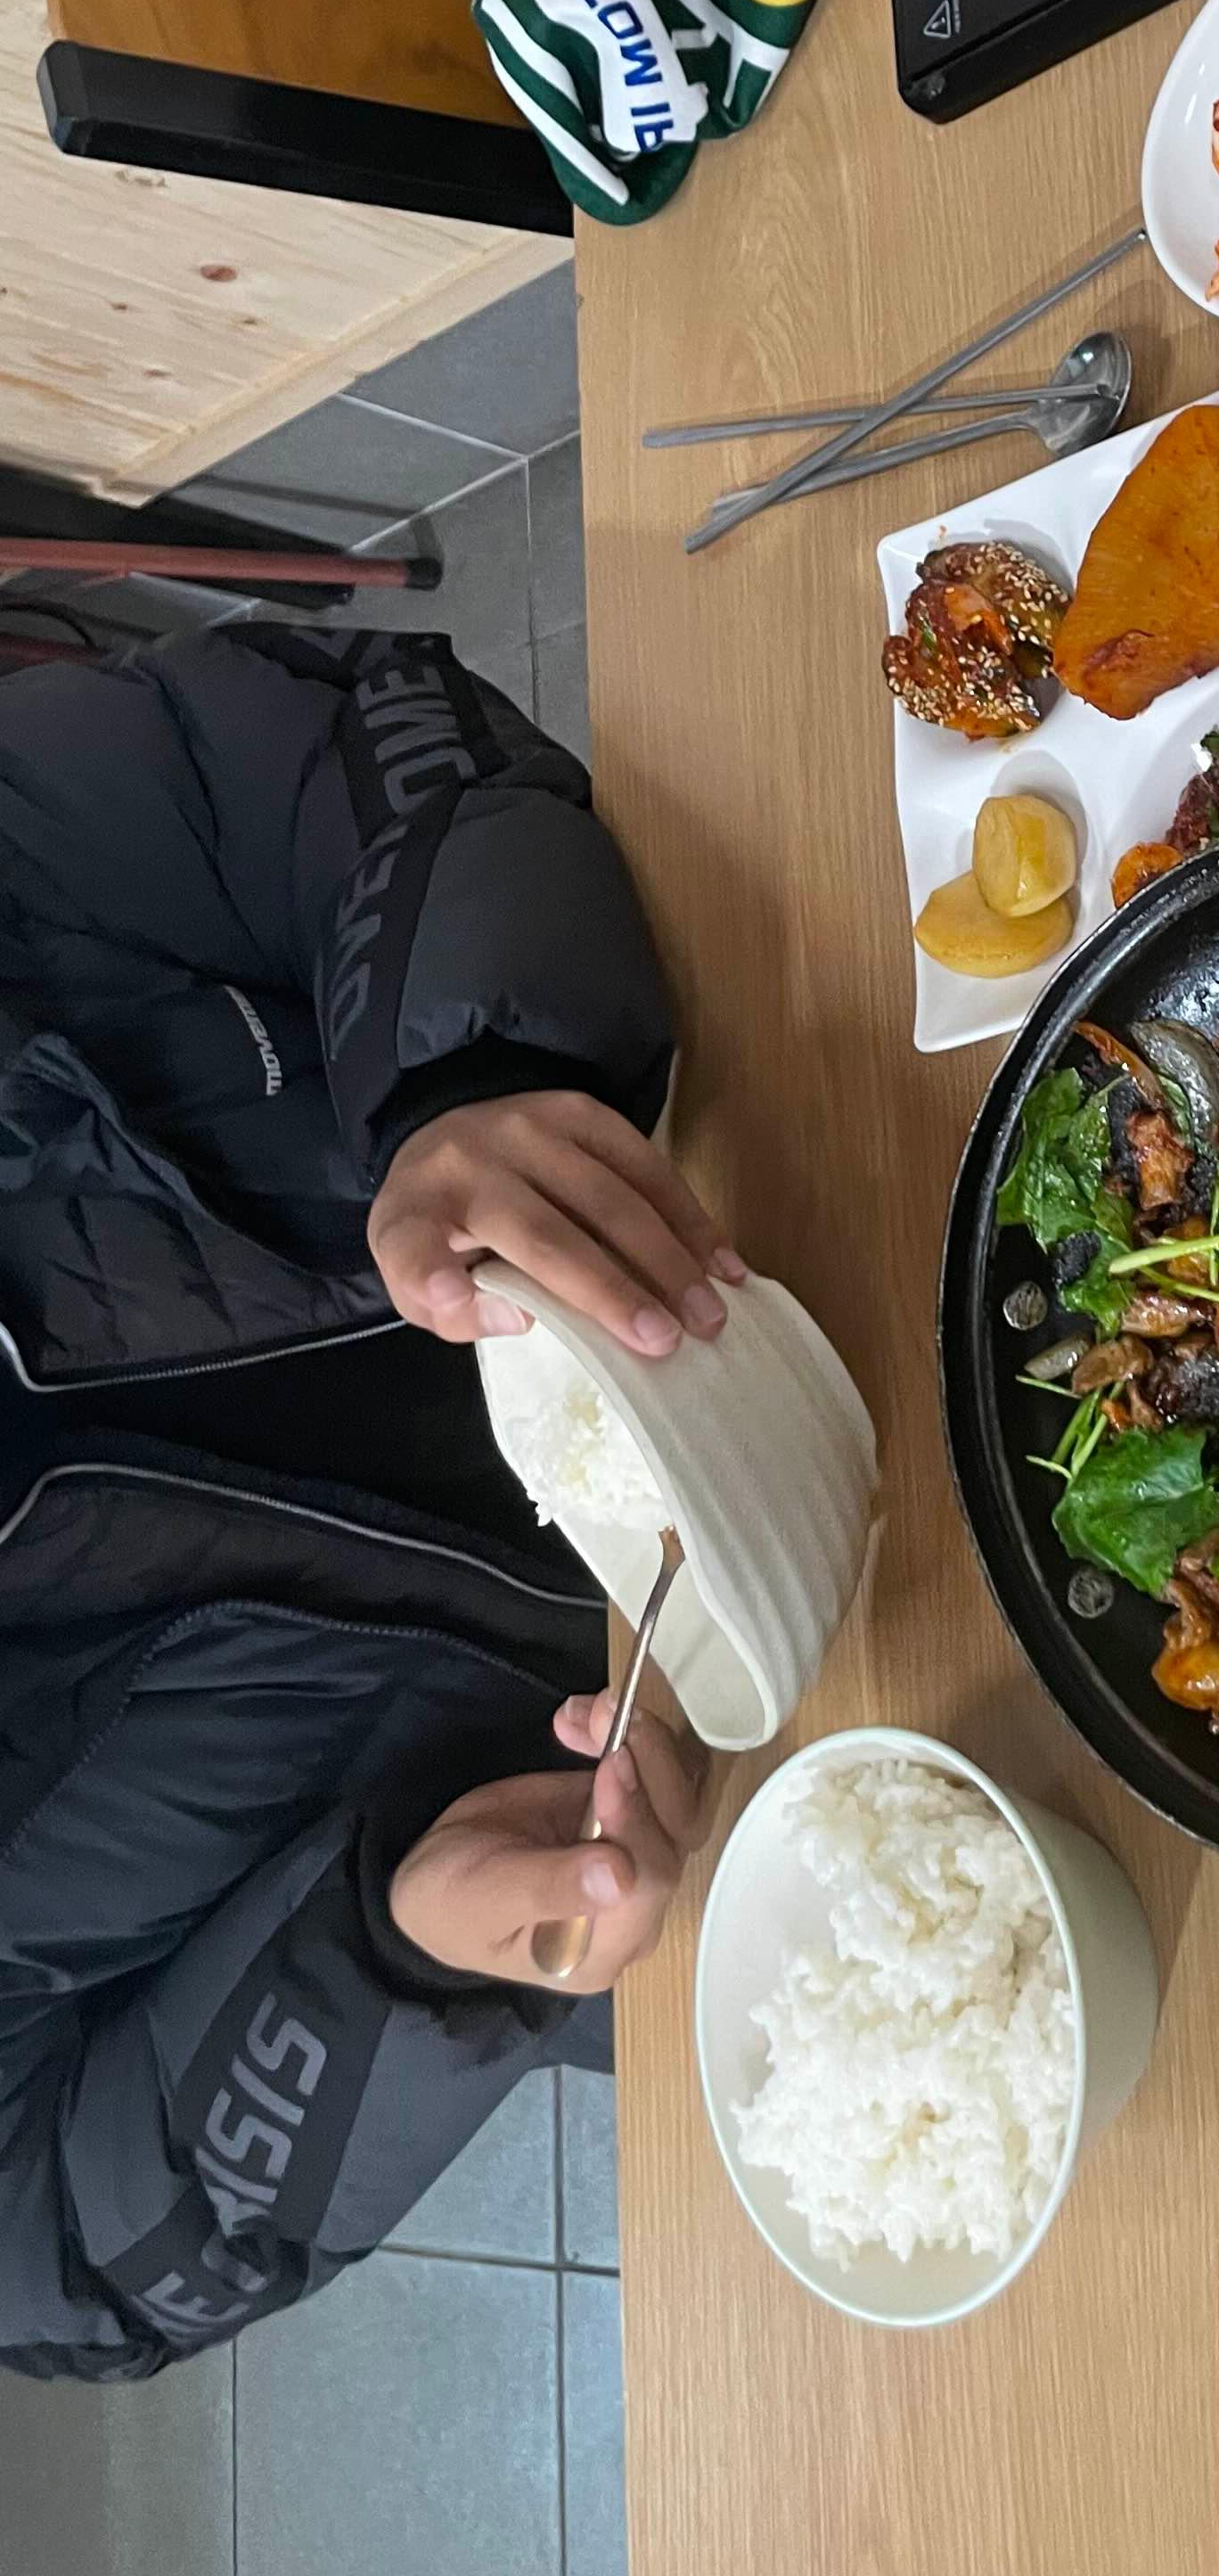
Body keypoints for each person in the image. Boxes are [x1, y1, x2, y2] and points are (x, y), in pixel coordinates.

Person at [0, 621, 734, 2380]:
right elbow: (69, 2251)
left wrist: (460, 1080)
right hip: (705, 1810)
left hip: (758, 1168)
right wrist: (402, 1946)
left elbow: (338, 748)